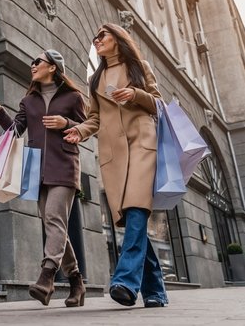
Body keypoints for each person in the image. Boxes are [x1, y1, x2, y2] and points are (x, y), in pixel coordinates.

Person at [63, 23, 168, 308]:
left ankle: (124, 282)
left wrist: (135, 95)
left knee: (136, 210)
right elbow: (94, 118)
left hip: (142, 145)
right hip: (114, 154)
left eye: (102, 36)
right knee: (134, 219)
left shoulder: (138, 67)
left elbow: (159, 105)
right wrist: (80, 132)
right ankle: (156, 292)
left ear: (118, 39)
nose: (96, 40)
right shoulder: (95, 80)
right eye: (95, 37)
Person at [0, 49, 87, 307]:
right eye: (32, 62)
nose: (33, 65)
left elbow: (86, 127)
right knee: (53, 224)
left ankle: (46, 276)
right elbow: (16, 130)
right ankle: (76, 282)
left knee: (53, 219)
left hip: (64, 165)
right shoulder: (29, 101)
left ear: (53, 67)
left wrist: (66, 123)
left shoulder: (73, 96)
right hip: (37, 169)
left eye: (38, 61)